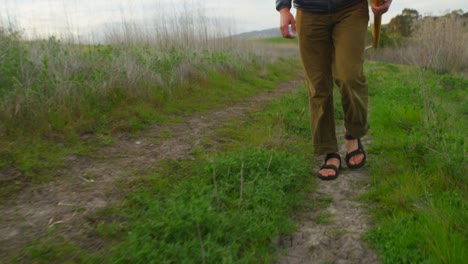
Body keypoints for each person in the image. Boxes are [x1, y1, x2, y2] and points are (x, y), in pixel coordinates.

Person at [276, 0, 392, 180]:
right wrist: (283, 8)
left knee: (349, 76)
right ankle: (329, 150)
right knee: (318, 85)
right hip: (309, 12)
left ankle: (353, 132)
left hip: (351, 8)